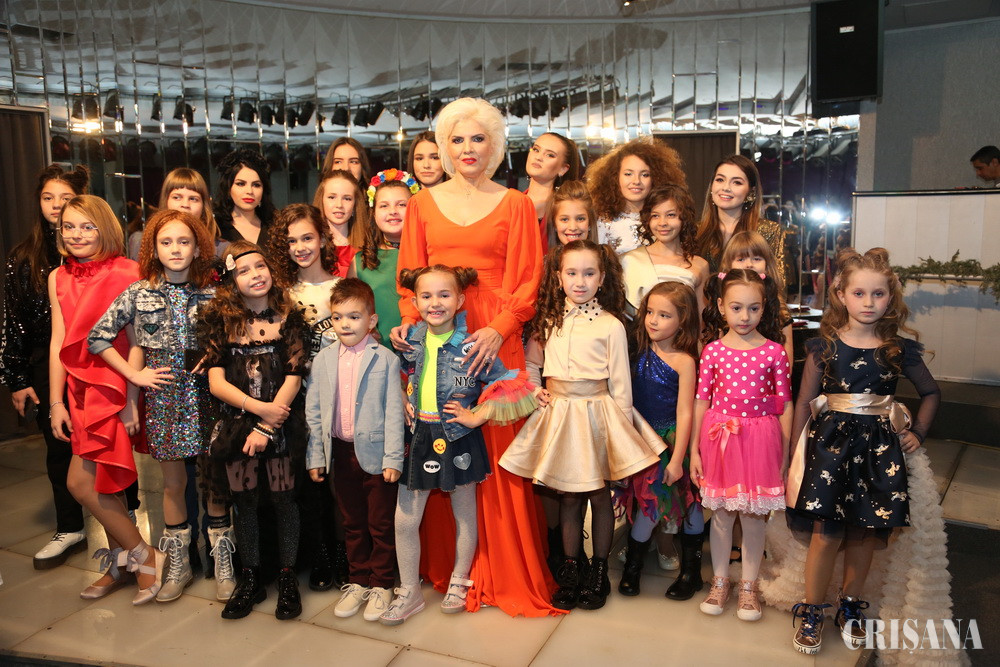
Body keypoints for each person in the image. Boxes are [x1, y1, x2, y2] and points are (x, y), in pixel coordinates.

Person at [392, 97, 555, 617]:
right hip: (440, 335)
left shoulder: (516, 204)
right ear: (444, 147)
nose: (467, 148)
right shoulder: (421, 203)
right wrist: (414, 325)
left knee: (496, 456)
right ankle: (450, 570)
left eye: (478, 138)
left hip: (494, 338)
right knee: (441, 440)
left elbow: (528, 278)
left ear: (495, 146)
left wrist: (499, 329)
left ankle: (500, 572)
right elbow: (409, 279)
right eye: (457, 139)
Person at [782, 248, 942, 656]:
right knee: (826, 533)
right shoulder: (823, 347)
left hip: (878, 453)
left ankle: (850, 606)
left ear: (891, 297)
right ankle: (813, 609)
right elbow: (803, 403)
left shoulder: (898, 350)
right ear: (841, 295)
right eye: (859, 293)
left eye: (878, 294)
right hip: (829, 451)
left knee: (865, 531)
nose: (869, 302)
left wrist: (919, 432)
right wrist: (794, 455)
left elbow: (931, 392)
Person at [501, 240, 665, 611]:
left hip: (598, 415)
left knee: (599, 495)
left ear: (602, 278)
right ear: (558, 277)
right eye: (572, 273)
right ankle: (572, 569)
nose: (580, 281)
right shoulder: (548, 321)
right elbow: (532, 364)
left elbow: (621, 384)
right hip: (560, 415)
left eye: (589, 273)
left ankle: (599, 570)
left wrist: (621, 437)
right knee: (568, 495)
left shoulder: (611, 325)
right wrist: (535, 389)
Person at [87, 209, 232, 602]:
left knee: (214, 482)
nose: (176, 249)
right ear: (153, 248)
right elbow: (98, 337)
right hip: (165, 403)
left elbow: (235, 338)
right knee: (173, 484)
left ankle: (223, 560)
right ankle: (178, 563)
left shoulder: (215, 294)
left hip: (210, 399)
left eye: (184, 241)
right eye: (166, 242)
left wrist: (216, 354)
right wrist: (134, 376)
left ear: (198, 247)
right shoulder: (139, 293)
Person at [381, 265, 537, 625]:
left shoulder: (472, 346)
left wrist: (477, 416)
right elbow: (400, 375)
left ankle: (458, 581)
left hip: (458, 439)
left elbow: (507, 383)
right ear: (415, 302)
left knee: (464, 514)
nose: (435, 303)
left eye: (444, 294)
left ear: (460, 299)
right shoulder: (409, 341)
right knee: (405, 520)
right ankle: (410, 591)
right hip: (418, 437)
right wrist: (403, 397)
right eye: (426, 296)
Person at [48, 195, 164, 604]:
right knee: (97, 482)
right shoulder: (57, 276)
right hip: (78, 391)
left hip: (114, 387)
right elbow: (59, 341)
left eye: (87, 226)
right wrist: (56, 402)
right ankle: (122, 561)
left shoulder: (127, 271)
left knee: (80, 482)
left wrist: (131, 397)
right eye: (69, 226)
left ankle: (145, 555)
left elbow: (138, 340)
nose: (77, 234)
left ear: (105, 228)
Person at [200, 241, 309, 620]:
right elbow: (216, 382)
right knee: (244, 503)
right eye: (244, 270)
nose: (255, 275)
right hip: (237, 425)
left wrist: (267, 423)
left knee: (284, 501)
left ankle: (288, 576)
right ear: (231, 280)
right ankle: (250, 577)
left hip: (281, 425)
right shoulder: (220, 322)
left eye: (260, 266)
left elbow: (294, 376)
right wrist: (257, 409)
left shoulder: (290, 318)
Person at [1, 164, 90, 570]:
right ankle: (70, 527)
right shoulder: (23, 258)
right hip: (44, 361)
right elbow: (13, 322)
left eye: (65, 198)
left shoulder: (94, 250)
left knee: (108, 443)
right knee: (59, 448)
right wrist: (16, 378)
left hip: (96, 359)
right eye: (47, 197)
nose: (56, 206)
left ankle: (124, 518)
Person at [690, 269, 791, 622]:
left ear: (764, 308)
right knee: (721, 515)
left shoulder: (775, 353)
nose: (744, 316)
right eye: (736, 307)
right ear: (721, 306)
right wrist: (694, 450)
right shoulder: (713, 352)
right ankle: (720, 581)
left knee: (754, 518)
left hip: (761, 440)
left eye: (753, 308)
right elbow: (701, 401)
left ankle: (749, 585)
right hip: (720, 439)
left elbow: (785, 404)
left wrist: (785, 451)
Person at [306, 279, 405, 623]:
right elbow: (314, 411)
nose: (345, 324)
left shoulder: (386, 359)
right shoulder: (323, 360)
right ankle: (358, 579)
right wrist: (315, 455)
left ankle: (382, 583)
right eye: (337, 317)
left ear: (371, 320)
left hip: (377, 456)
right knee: (351, 522)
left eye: (354, 317)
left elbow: (394, 412)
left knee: (380, 523)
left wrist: (393, 457)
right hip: (340, 454)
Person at [267, 202, 345, 593]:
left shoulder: (341, 286)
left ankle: (344, 552)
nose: (300, 247)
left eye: (307, 238)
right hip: (298, 400)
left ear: (323, 239)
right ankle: (320, 556)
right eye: (291, 241)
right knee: (309, 482)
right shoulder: (282, 294)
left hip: (340, 396)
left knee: (341, 481)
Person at [614, 281, 703, 600]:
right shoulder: (635, 351)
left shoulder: (684, 361)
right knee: (646, 505)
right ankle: (633, 567)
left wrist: (677, 460)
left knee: (687, 506)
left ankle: (691, 573)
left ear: (683, 319)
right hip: (641, 441)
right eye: (650, 312)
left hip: (671, 444)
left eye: (664, 315)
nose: (653, 320)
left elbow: (685, 411)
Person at [350, 169, 420, 343]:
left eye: (401, 204)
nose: (393, 211)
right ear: (373, 213)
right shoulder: (360, 262)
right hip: (377, 350)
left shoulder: (428, 254)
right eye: (384, 206)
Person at [586, 137, 687, 255]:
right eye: (628, 174)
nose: (636, 181)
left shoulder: (666, 220)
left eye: (645, 175)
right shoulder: (598, 222)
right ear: (615, 177)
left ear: (656, 178)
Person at [621, 184, 709, 318]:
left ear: (685, 218)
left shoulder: (700, 265)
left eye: (671, 215)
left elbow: (700, 320)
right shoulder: (628, 260)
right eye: (655, 216)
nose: (662, 223)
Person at [695, 155, 785, 274]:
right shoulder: (695, 232)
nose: (726, 188)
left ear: (751, 191)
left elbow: (778, 280)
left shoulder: (769, 231)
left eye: (737, 182)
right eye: (720, 180)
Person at [720, 231, 794, 363]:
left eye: (757, 259)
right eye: (741, 259)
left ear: (767, 265)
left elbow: (787, 363)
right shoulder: (723, 309)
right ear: (728, 265)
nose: (749, 264)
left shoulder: (780, 311)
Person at [524, 132, 581, 253]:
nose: (538, 157)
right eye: (536, 149)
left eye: (550, 155)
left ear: (563, 169)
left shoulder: (566, 206)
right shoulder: (510, 201)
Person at [213, 149, 276, 248]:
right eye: (241, 184)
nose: (249, 191)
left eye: (256, 185)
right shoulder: (215, 228)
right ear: (228, 188)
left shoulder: (276, 226)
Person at [312, 170, 367, 277]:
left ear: (355, 204)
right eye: (332, 197)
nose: (339, 205)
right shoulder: (311, 246)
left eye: (347, 199)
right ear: (321, 200)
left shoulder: (368, 247)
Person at [546, 180, 598, 248]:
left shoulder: (604, 254)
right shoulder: (542, 255)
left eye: (580, 219)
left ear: (590, 223)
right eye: (564, 219)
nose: (573, 227)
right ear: (554, 224)